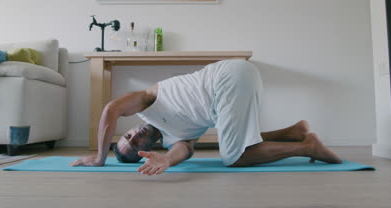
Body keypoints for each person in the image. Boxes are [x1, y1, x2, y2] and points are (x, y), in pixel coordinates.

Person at [70, 60, 342, 175]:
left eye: (127, 135)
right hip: (239, 79)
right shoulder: (177, 140)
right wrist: (166, 160)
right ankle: (295, 132)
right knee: (234, 140)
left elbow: (110, 110)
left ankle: (308, 147)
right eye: (135, 144)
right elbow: (182, 152)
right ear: (146, 150)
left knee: (232, 156)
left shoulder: (145, 102)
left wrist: (99, 158)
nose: (134, 135)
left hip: (226, 78)